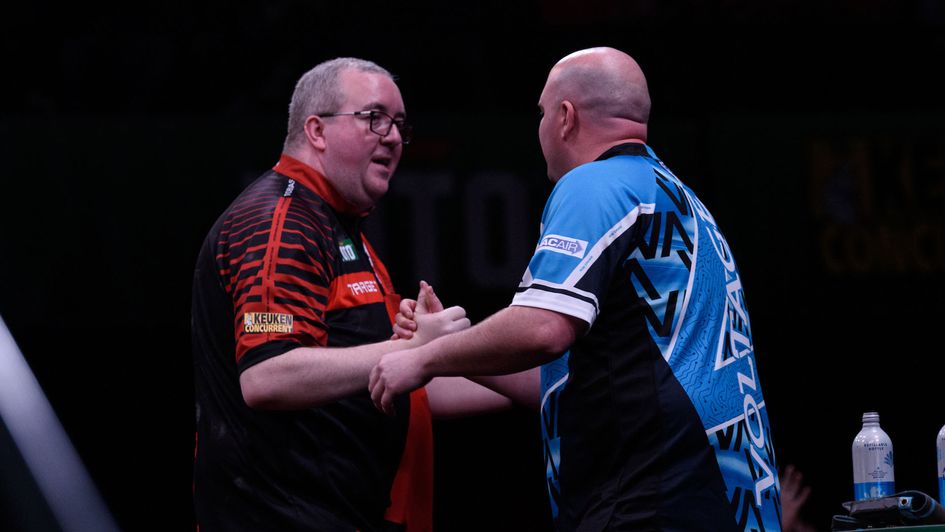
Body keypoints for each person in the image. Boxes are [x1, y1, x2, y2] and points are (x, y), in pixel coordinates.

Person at [369, 47, 782, 531]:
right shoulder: (681, 202)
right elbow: (556, 375)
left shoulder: (595, 185)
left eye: (542, 112)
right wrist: (444, 341)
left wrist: (420, 359)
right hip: (725, 503)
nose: (540, 126)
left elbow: (544, 328)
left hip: (653, 506)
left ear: (565, 117)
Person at [192, 57, 511, 532]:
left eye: (400, 124)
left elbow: (402, 380)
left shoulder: (340, 228)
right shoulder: (279, 223)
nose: (395, 136)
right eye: (374, 118)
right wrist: (412, 347)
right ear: (317, 131)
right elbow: (267, 375)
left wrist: (546, 373)